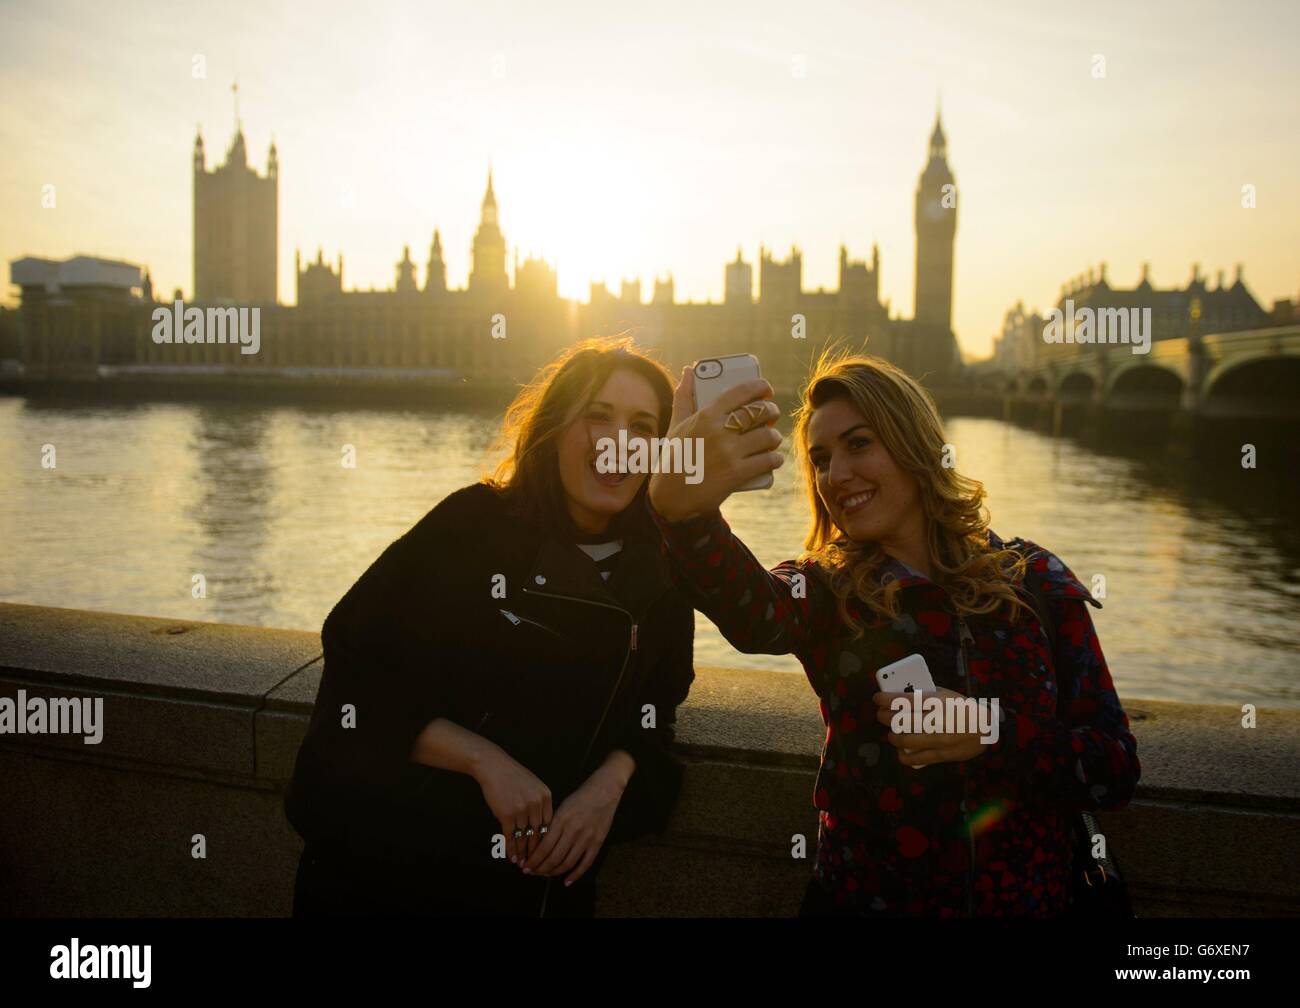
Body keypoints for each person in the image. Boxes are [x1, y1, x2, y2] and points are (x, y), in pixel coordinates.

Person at [647, 352, 1140, 916]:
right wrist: (683, 512)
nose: (836, 475)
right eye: (821, 458)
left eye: (860, 444)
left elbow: (1113, 769)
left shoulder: (1033, 581)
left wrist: (988, 732)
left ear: (915, 446)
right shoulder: (827, 589)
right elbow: (753, 611)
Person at [284, 336, 696, 916]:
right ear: (554, 430)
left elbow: (658, 709)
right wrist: (485, 762)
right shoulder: (471, 525)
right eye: (598, 417)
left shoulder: (660, 571)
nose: (619, 443)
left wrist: (609, 788)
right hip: (385, 879)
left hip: (539, 895)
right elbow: (356, 674)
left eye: (643, 426)